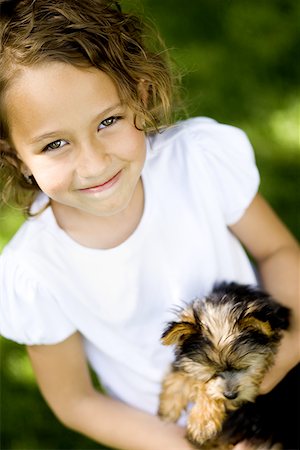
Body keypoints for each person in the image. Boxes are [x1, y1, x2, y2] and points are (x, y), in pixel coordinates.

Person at [0, 1, 299, 449]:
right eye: (55, 143)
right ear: (13, 155)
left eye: (108, 121)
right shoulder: (35, 272)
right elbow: (75, 400)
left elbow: (278, 252)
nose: (94, 162)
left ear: (139, 97)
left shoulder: (195, 163)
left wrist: (290, 347)